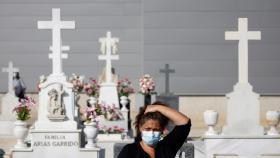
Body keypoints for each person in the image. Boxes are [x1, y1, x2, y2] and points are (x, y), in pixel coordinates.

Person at [118, 102, 191, 158]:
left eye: (156, 130)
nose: (151, 133)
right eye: (148, 129)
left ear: (161, 130)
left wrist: (157, 107)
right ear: (140, 128)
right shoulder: (130, 151)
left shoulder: (166, 147)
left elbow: (184, 122)